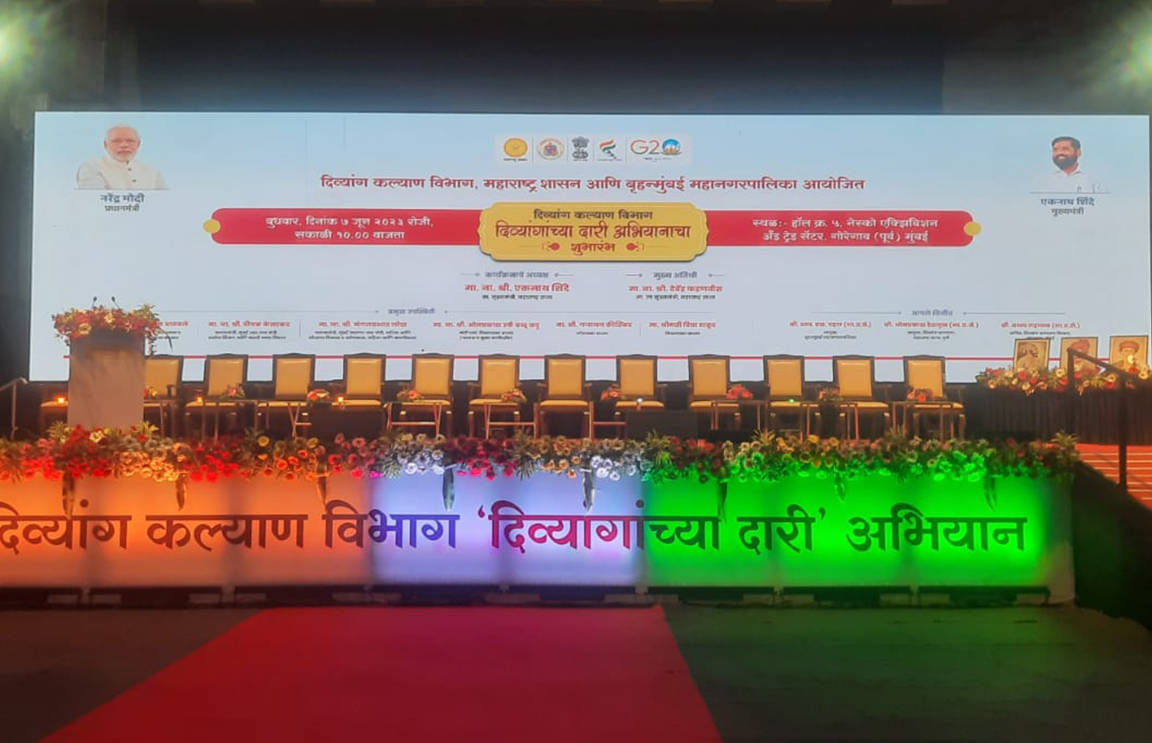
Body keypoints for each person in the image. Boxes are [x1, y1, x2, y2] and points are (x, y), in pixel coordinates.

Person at [76, 125, 168, 190]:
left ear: (138, 144)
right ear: (105, 145)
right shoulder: (91, 168)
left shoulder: (152, 172)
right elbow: (93, 201)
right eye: (117, 141)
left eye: (130, 141)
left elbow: (164, 201)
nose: (124, 145)